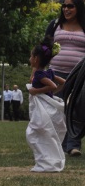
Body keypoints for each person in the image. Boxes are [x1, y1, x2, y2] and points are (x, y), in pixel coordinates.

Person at [46, 0, 85, 157]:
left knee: (75, 111)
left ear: (78, 8)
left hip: (78, 76)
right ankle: (56, 145)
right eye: (64, 6)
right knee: (56, 110)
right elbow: (44, 48)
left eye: (71, 6)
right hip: (55, 74)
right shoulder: (55, 25)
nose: (66, 9)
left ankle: (73, 145)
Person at [27, 38, 66, 172]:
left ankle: (46, 161)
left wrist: (36, 91)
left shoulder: (39, 74)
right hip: (47, 107)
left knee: (33, 133)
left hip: (43, 109)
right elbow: (63, 83)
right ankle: (46, 160)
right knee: (41, 134)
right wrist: (52, 92)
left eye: (31, 56)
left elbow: (53, 85)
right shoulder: (49, 72)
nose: (30, 58)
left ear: (36, 59)